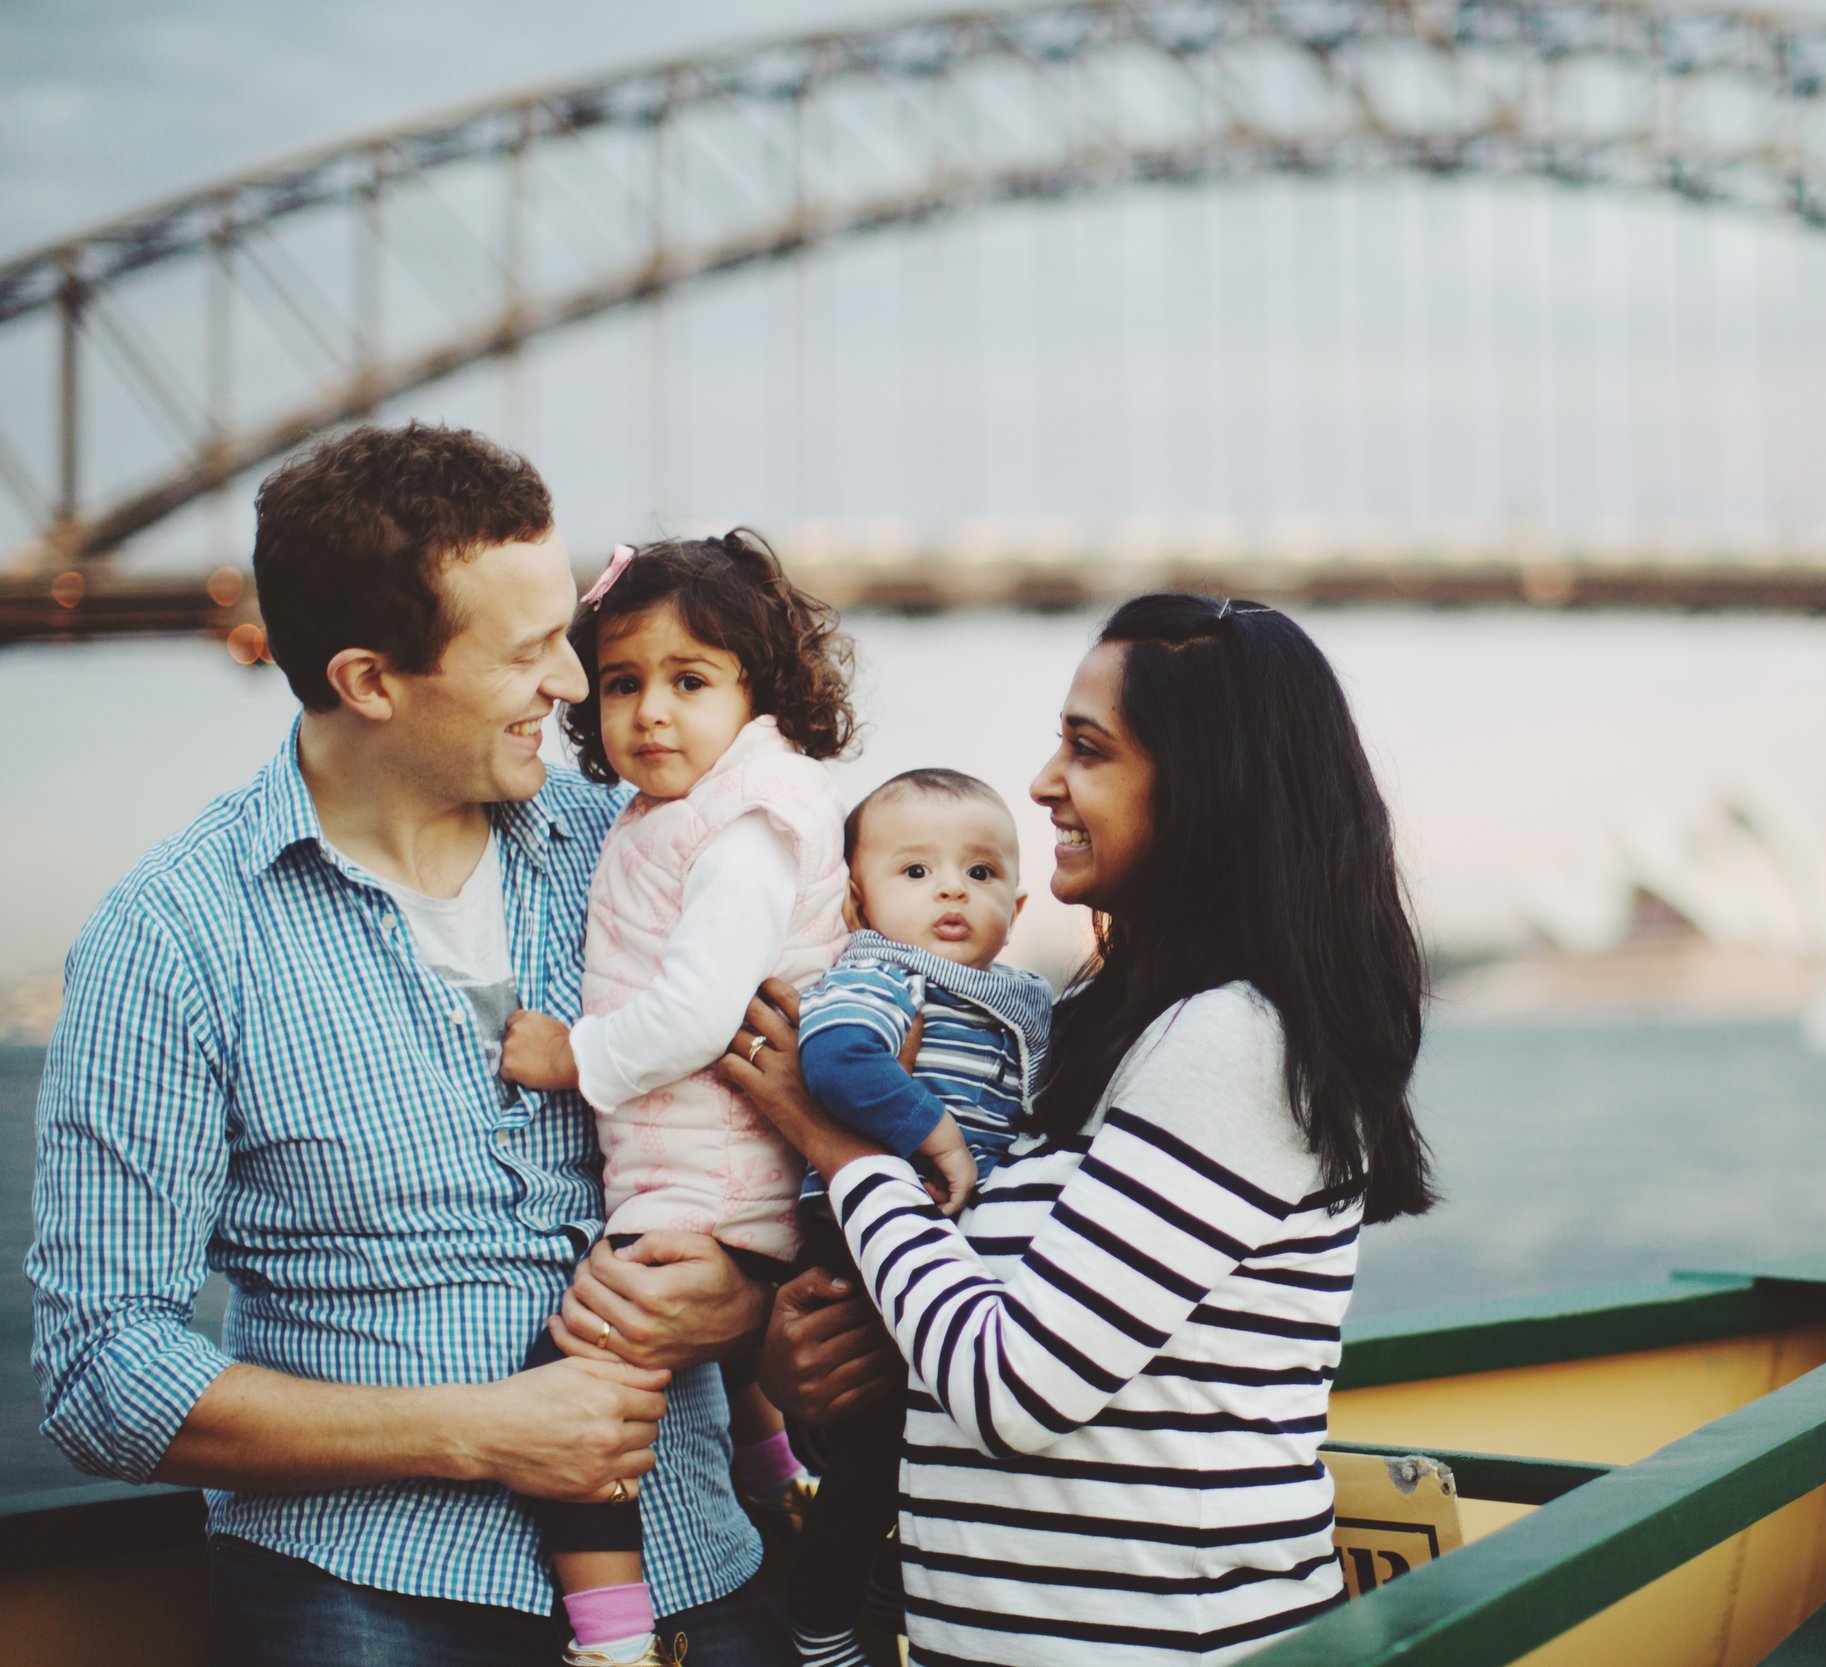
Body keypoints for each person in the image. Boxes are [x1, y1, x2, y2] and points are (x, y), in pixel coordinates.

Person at [25, 423, 892, 1667]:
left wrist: (746, 1300)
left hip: (706, 1567)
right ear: (372, 679)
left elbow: (798, 1114)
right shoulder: (175, 938)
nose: (579, 687)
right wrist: (483, 1430)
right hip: (359, 1603)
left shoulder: (651, 849)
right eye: (533, 650)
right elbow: (102, 1369)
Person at [728, 593, 1436, 1666]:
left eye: (1087, 749)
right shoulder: (1079, 1027)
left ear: (1207, 786)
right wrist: (822, 1358)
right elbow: (964, 1309)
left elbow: (1014, 1386)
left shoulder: (1235, 1039)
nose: (1043, 782)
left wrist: (845, 1151)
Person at [495, 530, 860, 1667]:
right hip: (713, 1172)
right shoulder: (677, 811)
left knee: (569, 1379)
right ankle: (776, 1478)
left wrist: (574, 1057)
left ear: (759, 691)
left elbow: (703, 1010)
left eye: (689, 680)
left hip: (720, 1180)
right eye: (620, 682)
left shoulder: (746, 823)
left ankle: (609, 1637)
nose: (650, 711)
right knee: (700, 1348)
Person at [783, 767, 1056, 1667]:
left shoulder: (1025, 997)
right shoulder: (883, 970)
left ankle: (884, 1588)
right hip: (862, 1231)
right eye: (916, 871)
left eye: (980, 873)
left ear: (1016, 902)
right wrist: (929, 1127)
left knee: (920, 1443)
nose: (951, 888)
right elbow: (835, 1058)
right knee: (870, 1451)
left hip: (939, 1247)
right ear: (857, 895)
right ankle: (821, 1620)